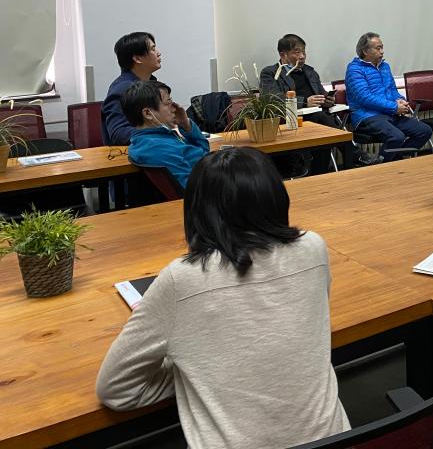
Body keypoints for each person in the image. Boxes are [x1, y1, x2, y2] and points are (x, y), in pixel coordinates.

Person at [96, 148, 350, 449]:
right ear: (276, 197)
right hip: (336, 440)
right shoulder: (313, 248)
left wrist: (199, 373)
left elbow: (116, 390)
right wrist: (209, 367)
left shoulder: (182, 279)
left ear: (196, 210)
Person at [345, 32, 431, 161]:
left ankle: (395, 159)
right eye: (378, 48)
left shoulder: (385, 67)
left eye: (382, 48)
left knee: (424, 131)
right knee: (396, 136)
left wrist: (401, 101)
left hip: (389, 113)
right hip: (367, 116)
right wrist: (394, 107)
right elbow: (364, 97)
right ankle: (382, 167)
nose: (382, 51)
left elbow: (392, 90)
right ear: (365, 51)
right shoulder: (354, 69)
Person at [261, 34, 338, 174]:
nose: (302, 56)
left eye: (303, 52)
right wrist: (305, 102)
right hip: (292, 120)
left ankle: (320, 174)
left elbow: (321, 94)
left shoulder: (310, 71)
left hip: (318, 118)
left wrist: (328, 101)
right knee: (323, 121)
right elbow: (272, 99)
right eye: (297, 52)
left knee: (322, 123)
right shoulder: (270, 73)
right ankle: (352, 151)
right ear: (283, 55)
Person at [124, 81, 209, 190]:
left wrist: (185, 124)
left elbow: (204, 152)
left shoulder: (158, 138)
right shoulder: (158, 148)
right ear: (148, 113)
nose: (174, 108)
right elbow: (192, 191)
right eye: (168, 102)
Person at [101, 31, 161, 145]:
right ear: (137, 58)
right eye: (153, 49)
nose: (158, 53)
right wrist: (161, 133)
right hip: (135, 152)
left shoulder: (152, 84)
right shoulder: (122, 90)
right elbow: (119, 134)